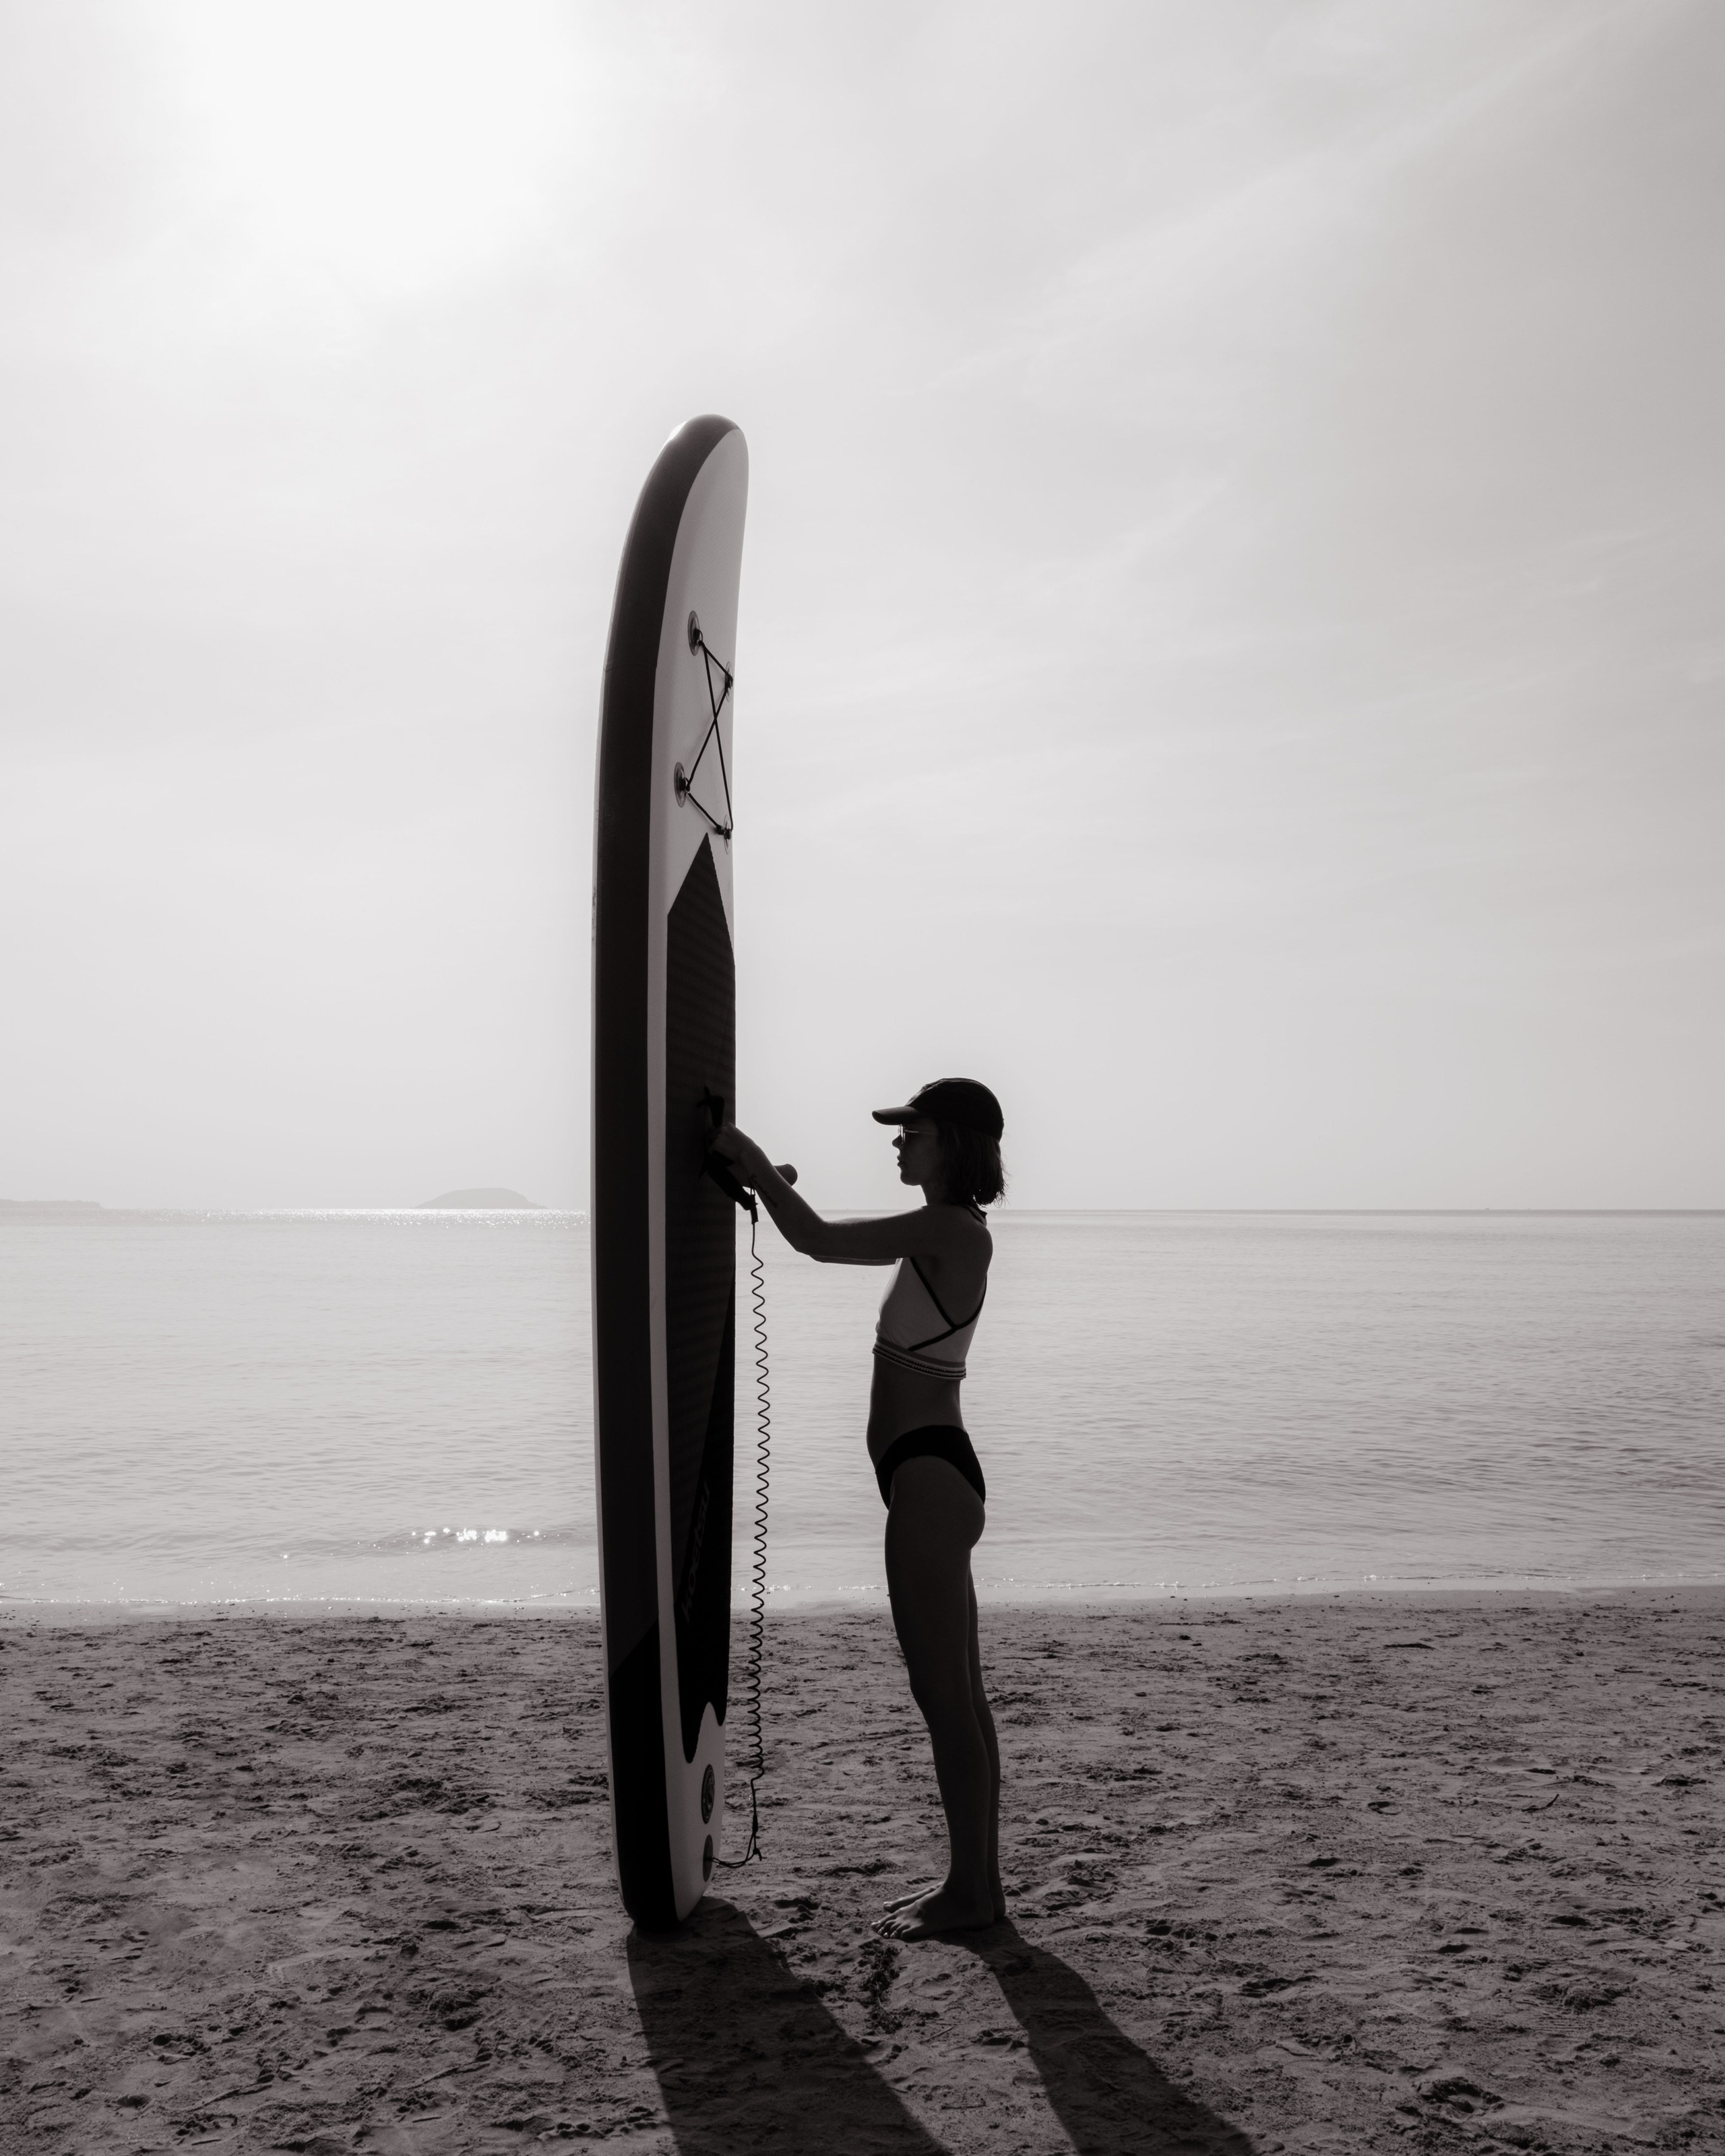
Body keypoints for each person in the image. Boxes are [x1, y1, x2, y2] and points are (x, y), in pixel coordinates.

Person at [712, 1077, 1005, 1939]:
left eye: (911, 1130)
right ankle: (980, 1888)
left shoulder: (951, 1230)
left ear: (952, 1142)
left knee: (945, 1697)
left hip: (929, 1479)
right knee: (961, 1698)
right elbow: (814, 1228)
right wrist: (766, 1181)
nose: (897, 1143)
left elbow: (816, 1240)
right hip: (931, 1475)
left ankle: (969, 1892)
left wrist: (749, 1158)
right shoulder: (948, 1229)